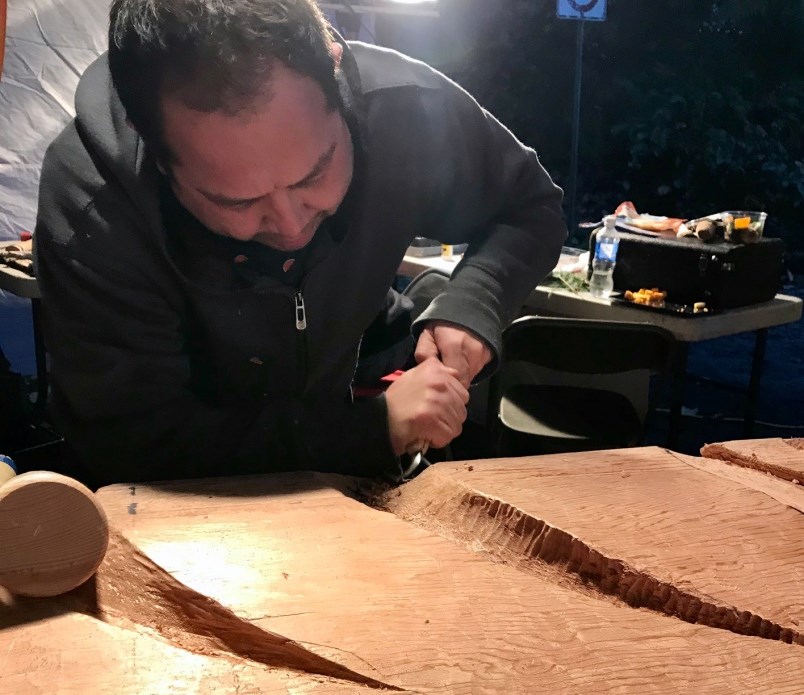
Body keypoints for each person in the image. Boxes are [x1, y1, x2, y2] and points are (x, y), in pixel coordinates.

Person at [33, 0, 566, 486]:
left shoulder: (405, 114)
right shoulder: (93, 203)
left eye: (315, 174)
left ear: (334, 68)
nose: (289, 226)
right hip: (172, 517)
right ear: (150, 143)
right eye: (236, 202)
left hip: (338, 489)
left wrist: (474, 302)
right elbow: (133, 447)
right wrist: (369, 431)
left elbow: (530, 207)